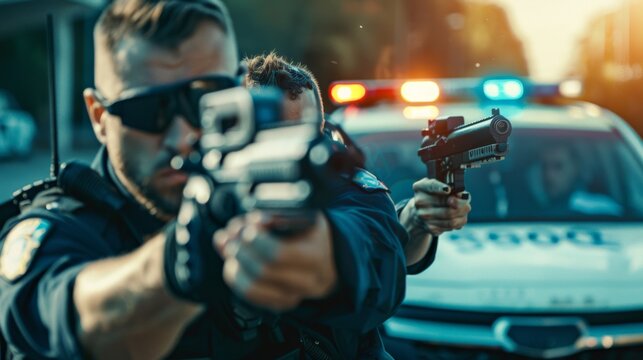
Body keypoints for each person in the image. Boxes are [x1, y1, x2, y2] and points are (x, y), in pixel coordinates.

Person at [0, 1, 408, 359]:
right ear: (99, 116)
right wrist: (176, 264)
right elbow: (69, 320)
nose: (180, 136)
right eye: (148, 111)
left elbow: (380, 247)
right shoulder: (58, 227)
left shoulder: (281, 172)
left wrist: (332, 257)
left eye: (204, 99)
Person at [244, 52, 472, 275]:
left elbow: (381, 255)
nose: (286, 150)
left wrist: (415, 219)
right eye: (271, 133)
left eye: (301, 135)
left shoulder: (357, 195)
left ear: (322, 129)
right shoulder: (214, 191)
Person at [536, 143, 622, 216]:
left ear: (575, 168)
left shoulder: (601, 209)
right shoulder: (534, 211)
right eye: (544, 167)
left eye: (558, 166)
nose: (548, 175)